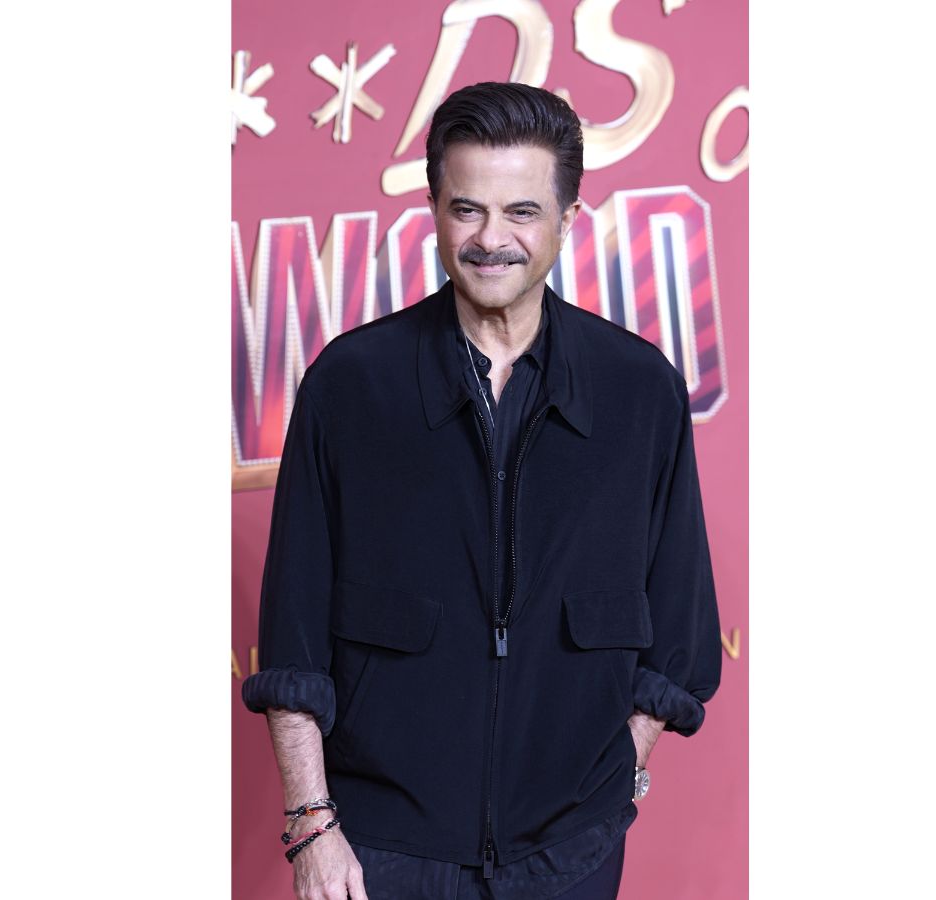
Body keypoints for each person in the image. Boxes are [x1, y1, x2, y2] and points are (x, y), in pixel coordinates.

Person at [242, 81, 722, 900]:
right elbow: (293, 637)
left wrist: (616, 785)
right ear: (433, 210)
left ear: (568, 219)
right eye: (467, 210)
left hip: (570, 849)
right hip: (380, 851)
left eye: (521, 213)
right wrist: (313, 826)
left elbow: (678, 626)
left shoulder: (640, 391)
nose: (491, 239)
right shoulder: (350, 385)